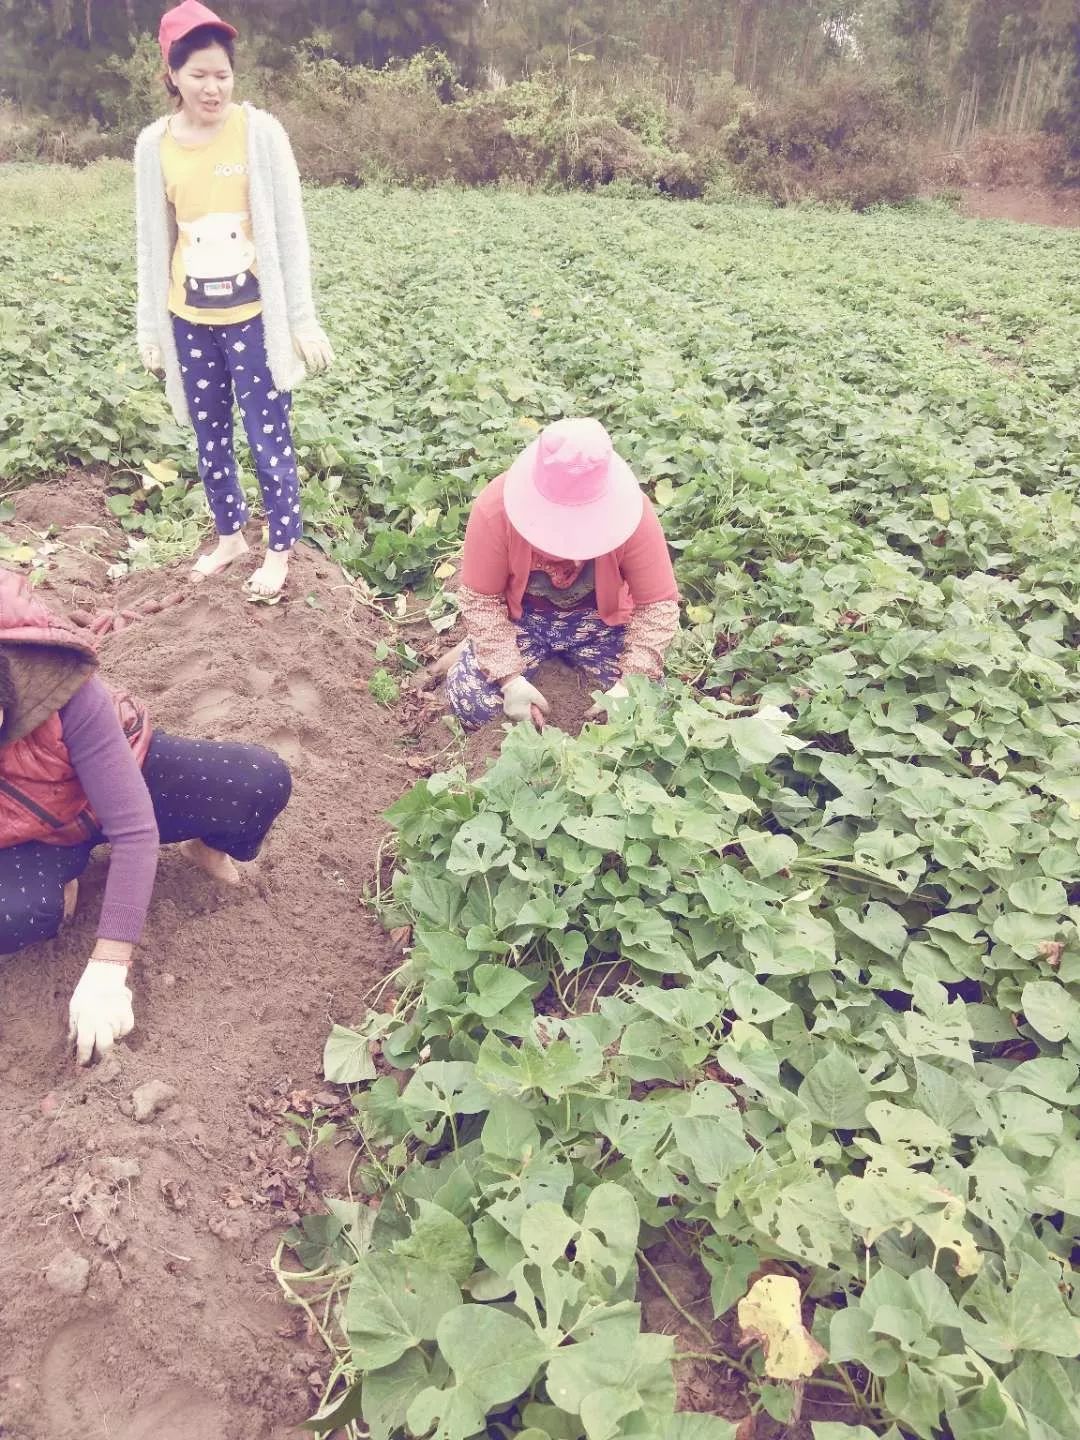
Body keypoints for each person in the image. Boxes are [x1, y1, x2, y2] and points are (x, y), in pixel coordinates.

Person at [0, 571, 291, 1064]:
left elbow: (134, 829)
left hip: (117, 778)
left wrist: (109, 966)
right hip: (34, 832)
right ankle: (60, 884)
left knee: (258, 781)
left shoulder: (57, 682)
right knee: (13, 913)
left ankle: (204, 846)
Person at [134, 0, 333, 598]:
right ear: (173, 75)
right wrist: (151, 330)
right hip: (189, 318)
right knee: (209, 435)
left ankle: (279, 548)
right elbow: (151, 241)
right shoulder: (154, 146)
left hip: (254, 319)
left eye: (222, 74)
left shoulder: (259, 133)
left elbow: (290, 230)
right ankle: (229, 537)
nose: (213, 87)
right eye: (198, 74)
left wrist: (302, 320)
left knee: (268, 435)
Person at [448, 418, 680, 730]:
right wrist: (509, 679)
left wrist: (630, 684)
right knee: (474, 703)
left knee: (649, 708)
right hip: (523, 622)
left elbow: (657, 606)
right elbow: (481, 601)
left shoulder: (635, 514)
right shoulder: (495, 510)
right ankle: (479, 651)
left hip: (601, 626)